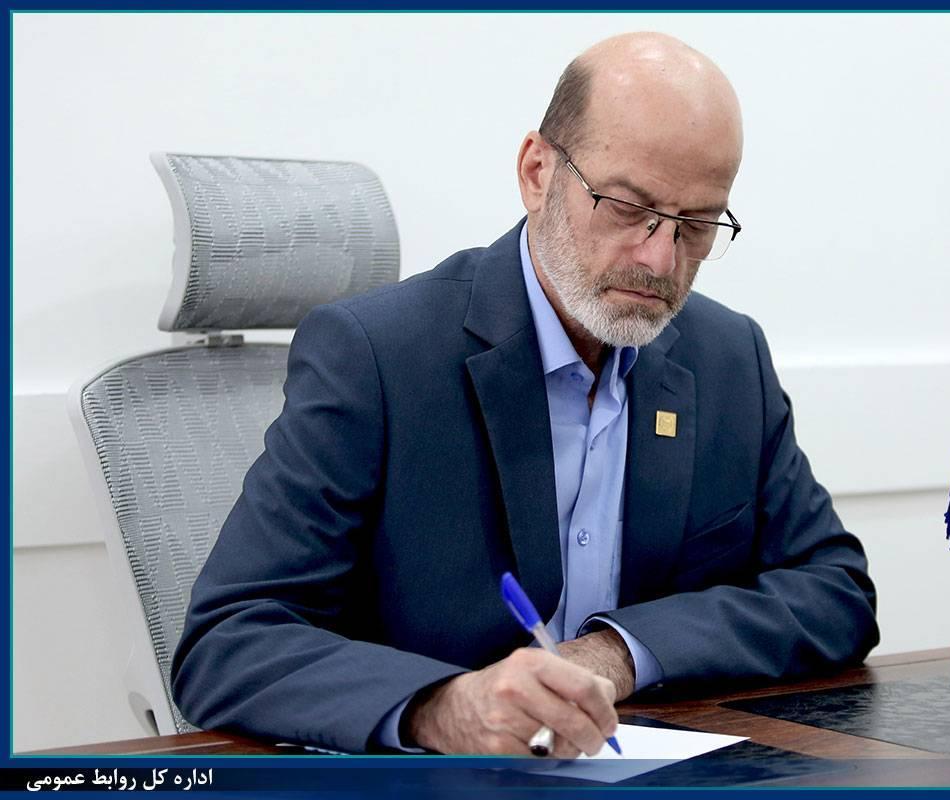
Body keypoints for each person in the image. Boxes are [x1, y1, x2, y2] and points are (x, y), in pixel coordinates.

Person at [171, 32, 879, 756]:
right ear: (537, 172)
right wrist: (443, 709)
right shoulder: (378, 356)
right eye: (626, 206)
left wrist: (622, 651)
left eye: (696, 225)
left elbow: (835, 593)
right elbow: (228, 641)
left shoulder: (728, 357)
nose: (660, 258)